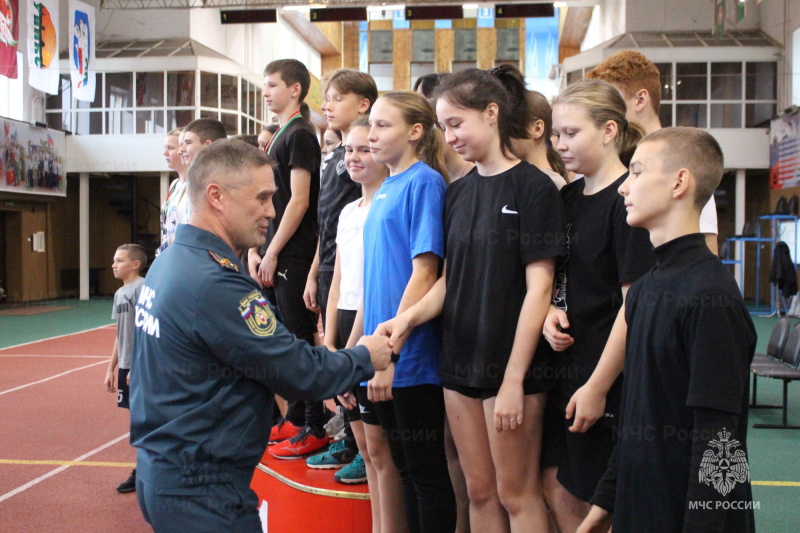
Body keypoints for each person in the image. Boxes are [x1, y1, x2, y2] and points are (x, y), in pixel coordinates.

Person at [130, 139, 393, 533]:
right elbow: (299, 372)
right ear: (216, 196)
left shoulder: (171, 261)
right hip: (203, 491)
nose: (272, 211)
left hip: (169, 474)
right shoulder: (213, 282)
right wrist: (365, 356)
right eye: (263, 197)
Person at [379, 66, 566, 532]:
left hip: (512, 364)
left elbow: (539, 288)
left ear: (491, 113)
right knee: (479, 492)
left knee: (516, 493)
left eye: (457, 124)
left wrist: (514, 380)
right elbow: (449, 281)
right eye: (444, 127)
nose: (450, 136)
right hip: (459, 360)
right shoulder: (456, 193)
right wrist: (408, 319)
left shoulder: (534, 188)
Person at [578, 127, 756, 533]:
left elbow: (718, 442)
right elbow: (635, 415)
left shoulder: (712, 298)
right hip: (640, 508)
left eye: (637, 172)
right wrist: (604, 503)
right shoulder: (645, 290)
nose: (624, 187)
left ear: (679, 182)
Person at [541, 78, 655, 533]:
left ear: (609, 131)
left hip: (604, 371)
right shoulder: (568, 197)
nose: (559, 144)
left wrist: (598, 385)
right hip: (563, 365)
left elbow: (634, 305)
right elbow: (553, 277)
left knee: (594, 500)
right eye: (555, 134)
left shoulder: (626, 200)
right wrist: (549, 310)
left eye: (571, 134)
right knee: (555, 485)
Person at [323, 119, 407, 531]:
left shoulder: (386, 205)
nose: (354, 157)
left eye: (363, 149)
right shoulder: (347, 211)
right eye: (348, 151)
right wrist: (329, 342)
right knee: (365, 448)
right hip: (343, 324)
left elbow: (374, 283)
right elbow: (338, 278)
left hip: (370, 323)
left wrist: (350, 350)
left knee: (380, 451)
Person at [247, 59, 326, 459]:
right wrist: (255, 247)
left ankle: (314, 423)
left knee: (299, 338)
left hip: (294, 251)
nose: (265, 92)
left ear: (295, 89)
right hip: (277, 251)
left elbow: (299, 200)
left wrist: (273, 251)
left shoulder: (300, 134)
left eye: (272, 84)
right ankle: (296, 416)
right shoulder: (280, 135)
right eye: (265, 84)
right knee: (283, 337)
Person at [301, 70, 377, 474]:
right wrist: (315, 270)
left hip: (359, 281)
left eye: (335, 98)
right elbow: (327, 224)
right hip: (334, 267)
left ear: (363, 104)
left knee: (354, 357)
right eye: (324, 99)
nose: (326, 106)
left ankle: (356, 446)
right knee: (331, 347)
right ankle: (350, 438)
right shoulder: (337, 160)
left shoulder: (367, 171)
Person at [586, 50, 719, 254]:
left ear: (640, 99)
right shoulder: (606, 164)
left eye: (611, 102)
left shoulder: (684, 159)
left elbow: (707, 250)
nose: (603, 113)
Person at [104, 244, 147, 493]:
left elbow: (147, 330)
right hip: (127, 366)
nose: (113, 265)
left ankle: (146, 470)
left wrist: (138, 366)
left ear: (135, 264)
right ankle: (144, 469)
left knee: (145, 420)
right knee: (136, 420)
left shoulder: (142, 289)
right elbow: (120, 336)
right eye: (113, 260)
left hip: (140, 366)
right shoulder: (120, 294)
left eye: (119, 260)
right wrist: (112, 368)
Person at [511, 90, 568, 189]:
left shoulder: (550, 183)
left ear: (537, 128)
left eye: (511, 126)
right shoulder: (517, 178)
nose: (504, 135)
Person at [158, 129, 188, 255]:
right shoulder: (174, 185)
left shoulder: (197, 185)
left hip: (186, 252)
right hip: (169, 252)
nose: (165, 153)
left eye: (170, 148)